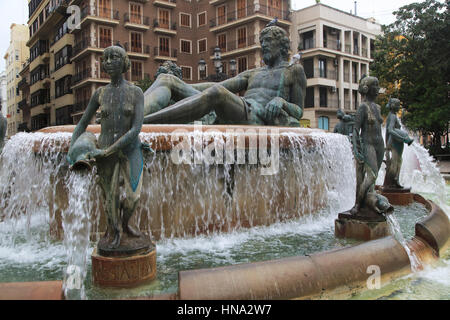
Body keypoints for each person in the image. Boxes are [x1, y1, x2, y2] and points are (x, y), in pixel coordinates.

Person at [143, 25, 307, 127]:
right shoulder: (253, 73)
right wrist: (178, 85)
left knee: (217, 93)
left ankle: (145, 123)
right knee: (167, 79)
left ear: (281, 44)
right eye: (261, 41)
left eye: (268, 40)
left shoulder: (293, 71)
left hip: (257, 116)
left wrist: (282, 102)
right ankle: (136, 114)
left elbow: (299, 112)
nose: (263, 44)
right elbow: (223, 86)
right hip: (240, 107)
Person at [67, 45, 146, 250]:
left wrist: (110, 150)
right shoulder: (100, 93)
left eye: (114, 58)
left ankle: (126, 223)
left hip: (129, 149)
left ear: (125, 62)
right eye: (106, 58)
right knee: (109, 196)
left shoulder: (136, 92)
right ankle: (115, 230)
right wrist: (71, 150)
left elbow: (136, 128)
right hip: (103, 149)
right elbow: (83, 123)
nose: (109, 62)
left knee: (133, 196)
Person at [350, 76, 386, 215]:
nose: (377, 88)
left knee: (373, 178)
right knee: (372, 175)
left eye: (377, 85)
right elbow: (355, 129)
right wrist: (356, 149)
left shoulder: (378, 107)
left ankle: (368, 201)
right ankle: (357, 204)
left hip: (379, 144)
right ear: (367, 88)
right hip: (368, 144)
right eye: (375, 85)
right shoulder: (362, 107)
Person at [383, 98, 414, 189]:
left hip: (394, 142)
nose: (399, 107)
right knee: (396, 162)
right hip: (395, 142)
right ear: (393, 106)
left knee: (397, 161)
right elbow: (390, 130)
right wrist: (402, 138)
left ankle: (394, 181)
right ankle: (393, 182)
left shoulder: (392, 115)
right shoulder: (392, 116)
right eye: (397, 105)